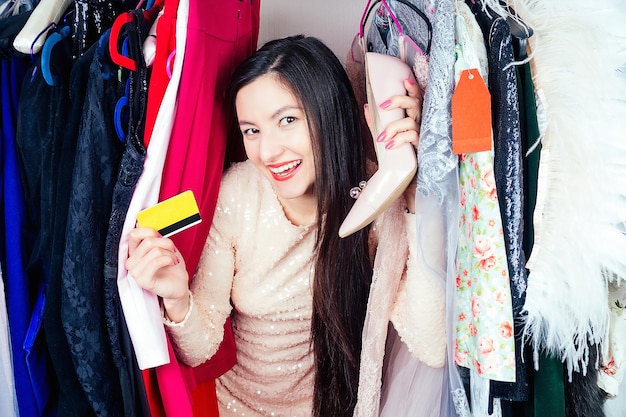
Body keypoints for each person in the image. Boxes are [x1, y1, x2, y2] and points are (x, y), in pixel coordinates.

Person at [126, 35, 440, 417]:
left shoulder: (373, 200)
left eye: (287, 120)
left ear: (329, 113)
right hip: (234, 409)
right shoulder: (236, 193)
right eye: (251, 130)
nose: (268, 152)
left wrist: (414, 193)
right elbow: (202, 346)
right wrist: (177, 299)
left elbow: (432, 344)